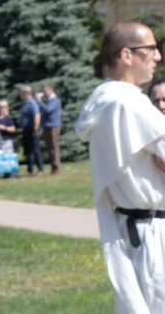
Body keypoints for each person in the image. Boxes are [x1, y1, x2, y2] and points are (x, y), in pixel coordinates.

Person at [74, 22, 165, 314]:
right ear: (127, 55)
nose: (158, 56)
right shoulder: (129, 104)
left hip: (136, 231)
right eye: (150, 49)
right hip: (150, 234)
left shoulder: (105, 99)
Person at [17, 85, 43, 176]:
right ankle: (30, 169)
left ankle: (40, 169)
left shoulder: (32, 103)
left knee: (35, 149)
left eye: (21, 93)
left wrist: (35, 128)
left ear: (26, 93)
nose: (20, 95)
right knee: (28, 150)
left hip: (32, 129)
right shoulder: (24, 103)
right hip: (26, 129)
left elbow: (37, 115)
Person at [40, 84, 63, 174]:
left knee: (54, 147)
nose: (44, 93)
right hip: (47, 126)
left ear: (51, 90)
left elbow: (48, 110)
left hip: (54, 126)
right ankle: (53, 168)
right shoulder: (49, 101)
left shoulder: (55, 100)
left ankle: (56, 168)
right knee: (50, 148)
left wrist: (40, 102)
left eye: (45, 91)